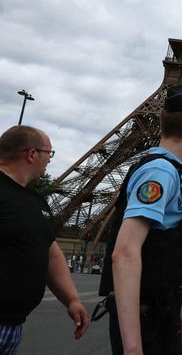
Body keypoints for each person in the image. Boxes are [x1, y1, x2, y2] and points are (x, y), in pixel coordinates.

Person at [99, 84, 182, 355]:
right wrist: (133, 347)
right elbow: (125, 252)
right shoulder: (160, 171)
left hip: (162, 316)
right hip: (147, 323)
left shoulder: (173, 173)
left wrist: (179, 325)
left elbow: (166, 266)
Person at [0, 125, 90, 354]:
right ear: (31, 154)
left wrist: (72, 300)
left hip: (13, 325)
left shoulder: (35, 201)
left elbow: (50, 253)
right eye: (49, 153)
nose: (50, 159)